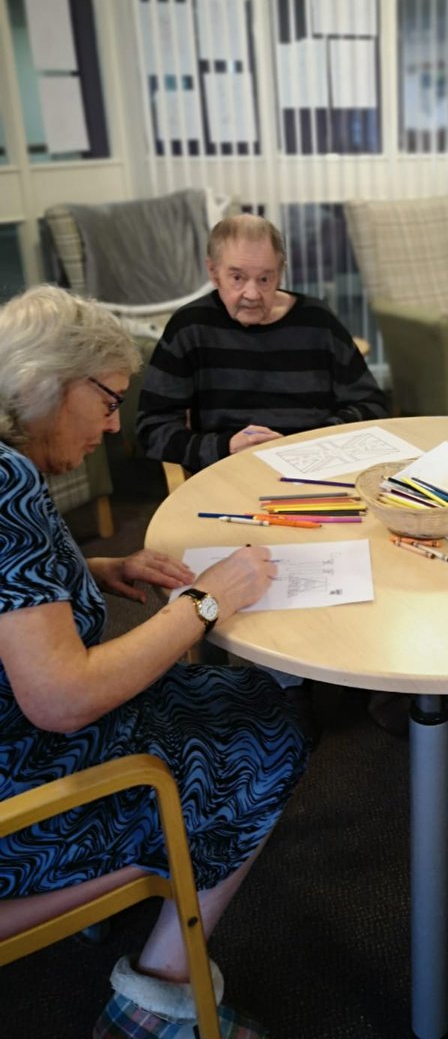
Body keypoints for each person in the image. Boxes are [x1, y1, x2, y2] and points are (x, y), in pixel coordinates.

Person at [0, 286, 311, 1039]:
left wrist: (92, 570)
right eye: (106, 399)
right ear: (49, 382)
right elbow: (62, 700)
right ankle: (157, 995)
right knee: (267, 720)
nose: (114, 423)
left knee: (213, 694)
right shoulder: (8, 484)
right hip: (23, 796)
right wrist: (204, 604)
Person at [137, 212, 388, 472]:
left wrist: (309, 443)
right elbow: (152, 429)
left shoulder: (317, 320)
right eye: (237, 278)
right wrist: (225, 447)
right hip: (228, 472)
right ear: (214, 272)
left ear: (280, 273)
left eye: (265, 279)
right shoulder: (190, 326)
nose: (252, 294)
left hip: (315, 468)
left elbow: (373, 406)